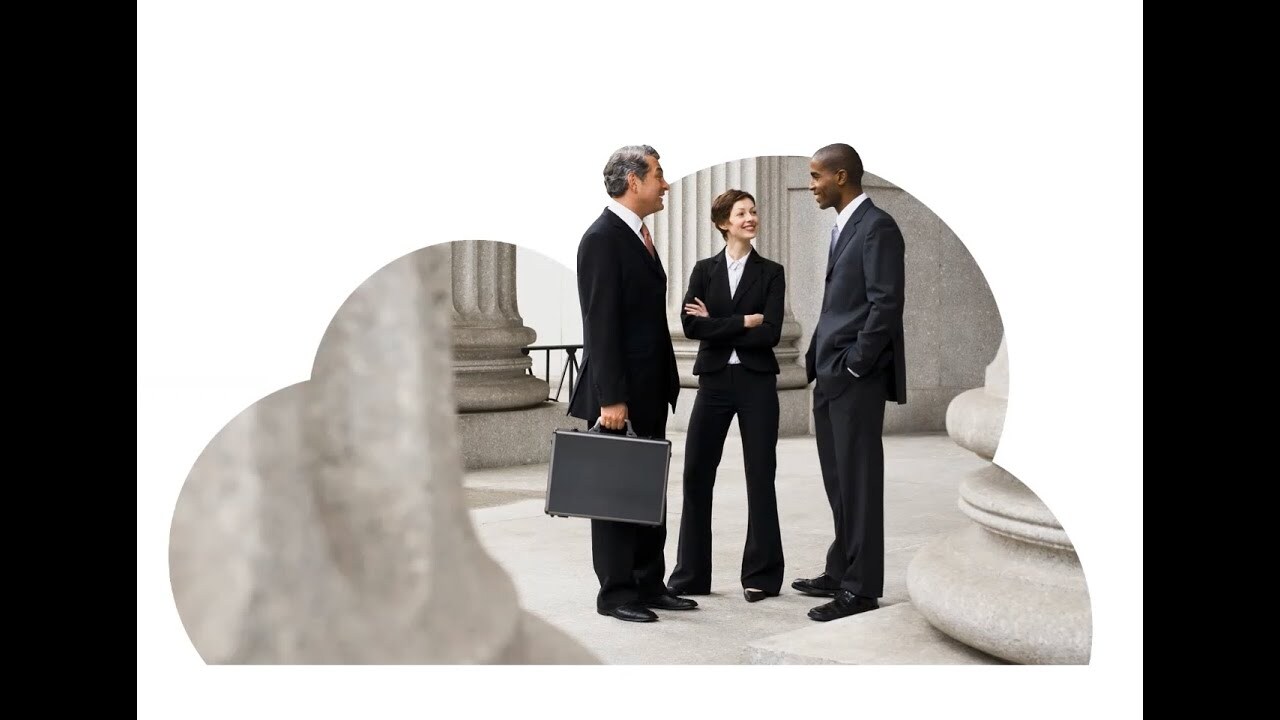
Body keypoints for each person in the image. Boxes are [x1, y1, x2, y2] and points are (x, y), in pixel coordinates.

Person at [566, 145, 698, 623]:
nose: (665, 184)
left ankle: (647, 584)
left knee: (646, 491)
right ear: (632, 182)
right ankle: (617, 594)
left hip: (647, 389)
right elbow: (600, 324)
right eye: (658, 175)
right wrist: (612, 398)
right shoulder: (602, 238)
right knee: (616, 495)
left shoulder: (638, 236)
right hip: (618, 396)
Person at [797, 143, 907, 622]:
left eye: (817, 176)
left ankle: (861, 589)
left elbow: (886, 303)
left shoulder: (878, 227)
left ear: (841, 177)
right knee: (839, 480)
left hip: (854, 377)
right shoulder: (845, 227)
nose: (812, 185)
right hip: (831, 373)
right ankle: (842, 568)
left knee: (858, 483)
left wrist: (856, 364)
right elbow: (839, 302)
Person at [665, 189, 787, 604]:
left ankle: (762, 576)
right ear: (723, 223)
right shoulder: (704, 270)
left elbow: (770, 332)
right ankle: (691, 575)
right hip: (714, 383)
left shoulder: (772, 272)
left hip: (756, 383)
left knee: (760, 475)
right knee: (696, 474)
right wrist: (742, 321)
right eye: (741, 213)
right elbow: (691, 327)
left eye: (753, 211)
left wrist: (719, 322)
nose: (750, 218)